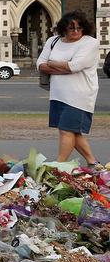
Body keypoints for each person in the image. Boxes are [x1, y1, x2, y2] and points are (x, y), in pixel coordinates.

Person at [37, 11, 100, 166]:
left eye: (79, 28)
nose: (76, 31)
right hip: (58, 94)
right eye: (72, 28)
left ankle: (59, 165)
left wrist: (51, 63)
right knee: (72, 131)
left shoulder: (90, 43)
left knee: (66, 130)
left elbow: (75, 66)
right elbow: (40, 64)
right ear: (64, 28)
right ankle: (93, 162)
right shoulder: (53, 41)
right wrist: (64, 66)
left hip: (80, 95)